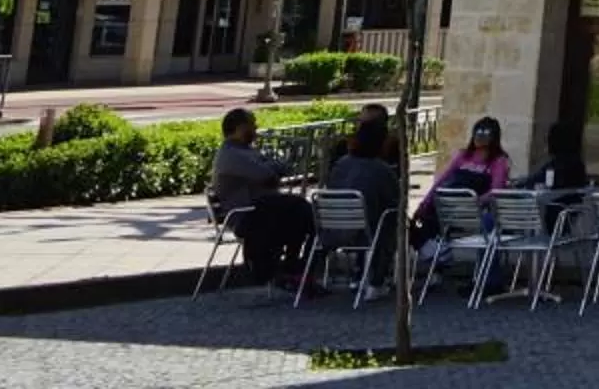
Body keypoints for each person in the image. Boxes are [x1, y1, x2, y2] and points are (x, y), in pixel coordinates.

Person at [210, 108, 314, 292]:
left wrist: (270, 167)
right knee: (300, 209)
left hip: (262, 211)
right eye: (252, 123)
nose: (256, 128)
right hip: (247, 216)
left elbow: (283, 167)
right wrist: (270, 167)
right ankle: (293, 268)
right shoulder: (232, 155)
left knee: (300, 213)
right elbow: (267, 175)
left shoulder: (246, 151)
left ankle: (294, 267)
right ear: (240, 128)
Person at [321, 120, 403, 299]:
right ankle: (376, 281)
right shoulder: (382, 170)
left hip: (331, 229)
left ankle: (358, 276)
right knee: (390, 221)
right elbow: (395, 201)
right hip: (366, 233)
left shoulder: (340, 164)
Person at [413, 115, 511, 244]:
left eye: (485, 133)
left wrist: (472, 203)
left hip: (474, 211)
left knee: (491, 223)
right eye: (477, 132)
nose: (479, 137)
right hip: (447, 209)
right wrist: (424, 203)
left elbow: (496, 190)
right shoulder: (463, 156)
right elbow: (441, 180)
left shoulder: (498, 161)